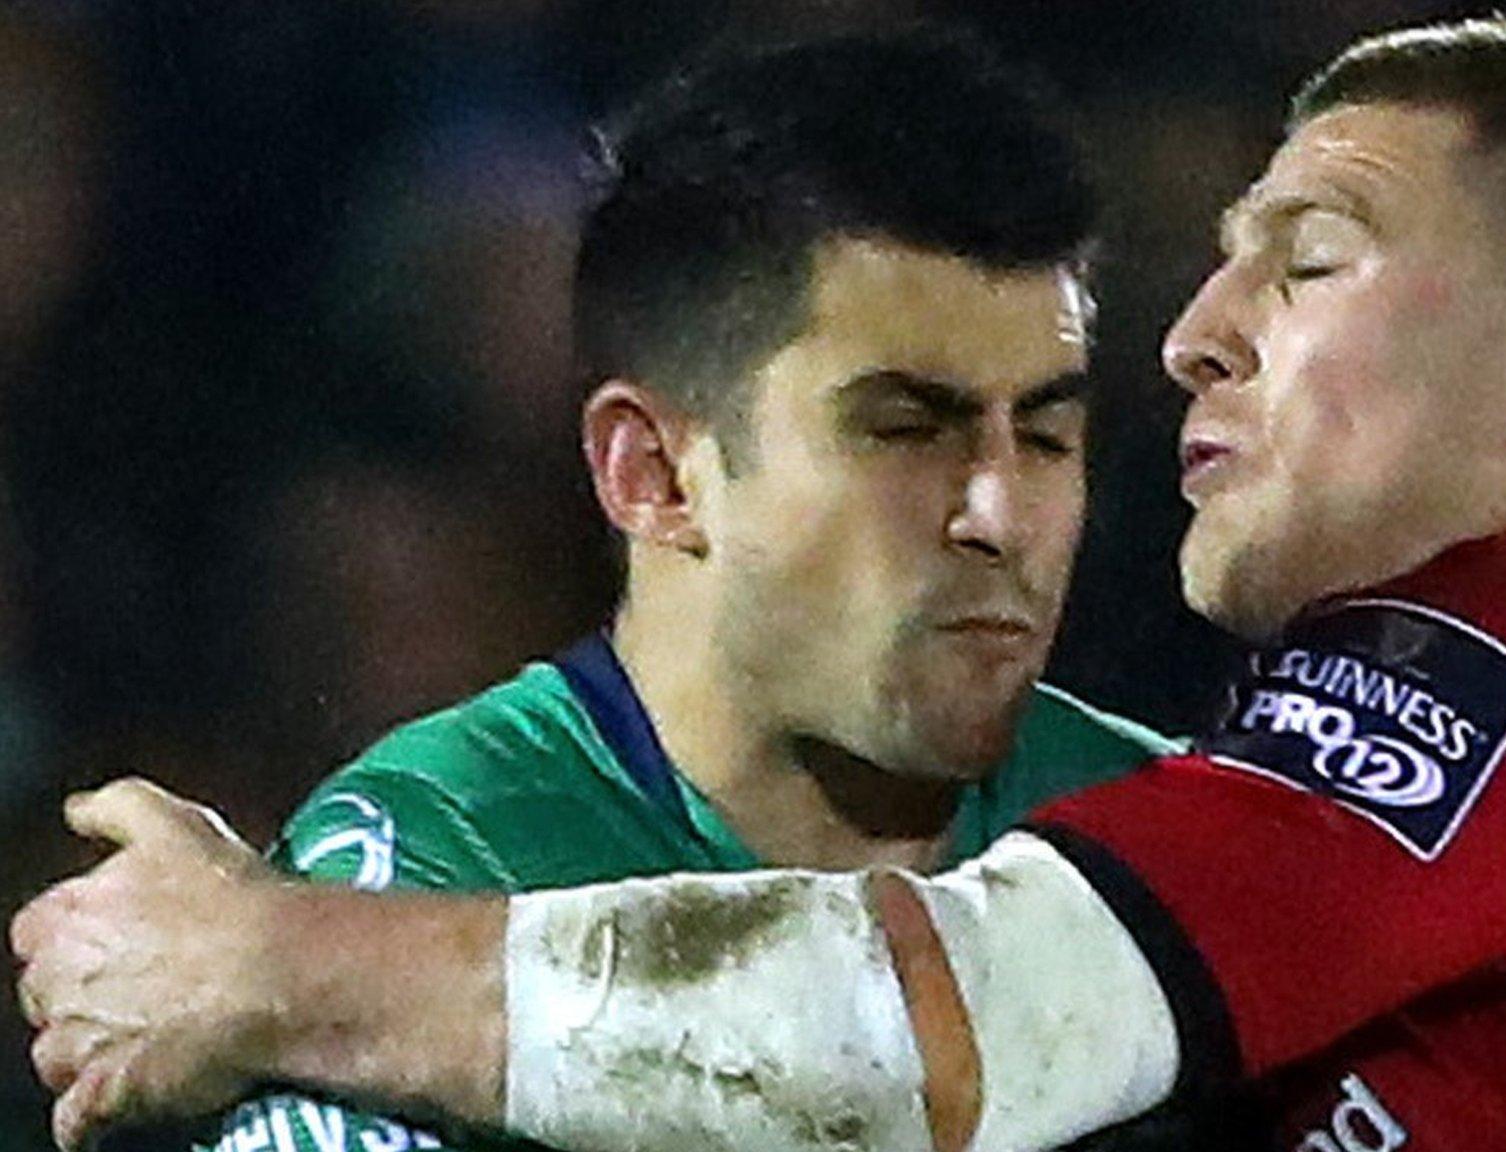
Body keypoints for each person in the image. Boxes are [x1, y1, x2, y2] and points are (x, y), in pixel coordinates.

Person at [17, 16, 1506, 1152]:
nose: (1200, 337)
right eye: (906, 422)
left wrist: (267, 964)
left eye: (1312, 260)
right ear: (651, 469)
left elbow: (951, 1016)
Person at [59, 28, 1178, 1152]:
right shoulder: (437, 854)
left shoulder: (1167, 829)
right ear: (651, 475)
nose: (997, 515)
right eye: (902, 431)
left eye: (1045, 434)